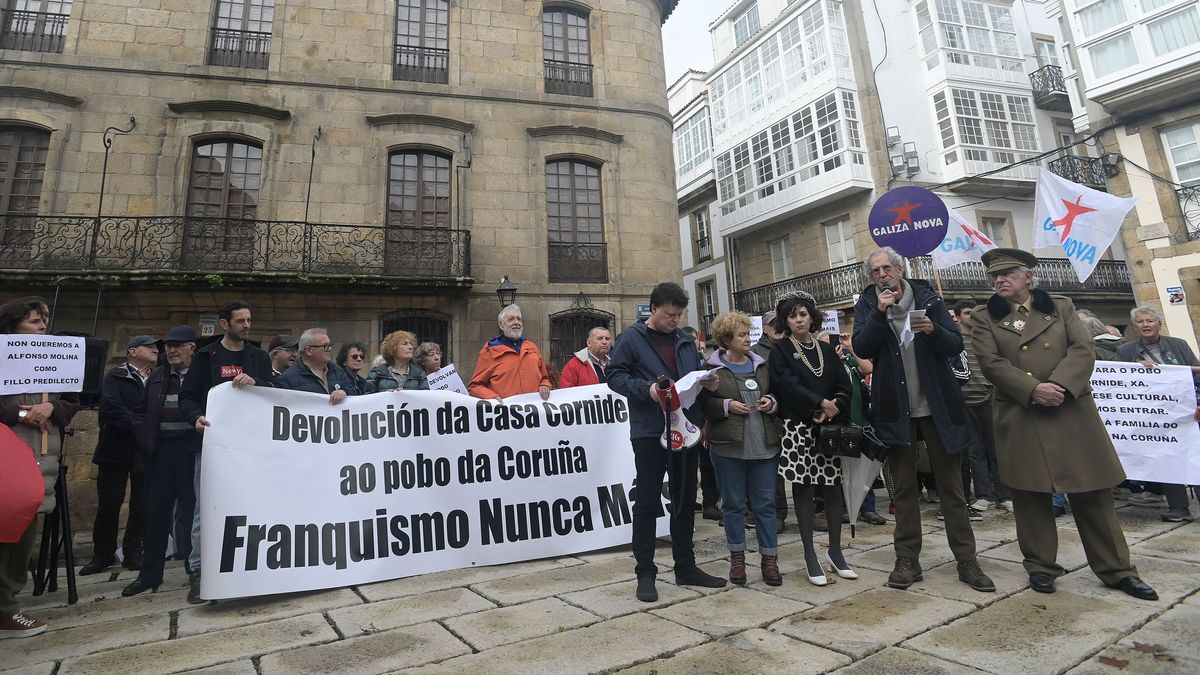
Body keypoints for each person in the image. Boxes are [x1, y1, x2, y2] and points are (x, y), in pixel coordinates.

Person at [971, 248, 1157, 600]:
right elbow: (990, 362)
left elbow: (1082, 349)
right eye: (995, 275)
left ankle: (1117, 570)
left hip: (1070, 409)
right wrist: (1033, 389)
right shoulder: (985, 317)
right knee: (1030, 495)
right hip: (1022, 412)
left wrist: (1059, 386)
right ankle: (1041, 567)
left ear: (1028, 277)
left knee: (1092, 493)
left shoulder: (1061, 306)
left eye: (1008, 272)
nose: (1000, 279)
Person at [852, 247, 994, 593]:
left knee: (951, 488)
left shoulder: (928, 297)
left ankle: (966, 560)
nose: (882, 275)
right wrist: (878, 313)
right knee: (903, 489)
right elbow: (863, 347)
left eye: (887, 268)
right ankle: (907, 560)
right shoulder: (869, 304)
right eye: (875, 271)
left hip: (937, 406)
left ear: (899, 269)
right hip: (895, 409)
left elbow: (953, 345)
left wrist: (932, 329)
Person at [607, 282, 725, 602]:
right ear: (654, 309)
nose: (675, 319)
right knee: (647, 501)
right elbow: (614, 376)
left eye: (679, 315)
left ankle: (686, 567)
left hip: (684, 431)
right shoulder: (631, 338)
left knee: (686, 500)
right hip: (649, 431)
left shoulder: (684, 341)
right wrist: (646, 390)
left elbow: (692, 380)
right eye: (670, 314)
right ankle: (645, 572)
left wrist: (707, 383)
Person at [179, 300, 274, 604]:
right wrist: (196, 418)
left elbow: (276, 388)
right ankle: (198, 571)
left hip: (251, 448)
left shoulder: (257, 357)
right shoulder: (205, 356)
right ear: (224, 324)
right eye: (241, 321)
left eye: (249, 320)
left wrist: (256, 381)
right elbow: (188, 397)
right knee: (204, 509)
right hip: (211, 447)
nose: (247, 326)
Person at [0, 297, 80, 638]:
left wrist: (50, 407)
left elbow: (72, 401)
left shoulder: (56, 357)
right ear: (14, 325)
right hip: (9, 451)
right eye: (34, 321)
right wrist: (20, 414)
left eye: (44, 321)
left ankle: (5, 607)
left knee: (21, 535)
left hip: (42, 456)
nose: (42, 327)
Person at [770, 292, 856, 586]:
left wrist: (834, 406)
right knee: (804, 491)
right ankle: (809, 554)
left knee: (833, 489)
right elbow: (785, 385)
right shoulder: (780, 350)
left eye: (803, 314)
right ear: (786, 320)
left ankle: (835, 550)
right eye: (793, 316)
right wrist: (819, 403)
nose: (798, 320)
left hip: (828, 427)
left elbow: (844, 384)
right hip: (799, 426)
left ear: (811, 317)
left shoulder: (826, 349)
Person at [702, 311, 783, 585]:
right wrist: (725, 406)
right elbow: (702, 405)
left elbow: (779, 394)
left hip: (764, 445)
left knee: (765, 505)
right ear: (726, 339)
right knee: (733, 505)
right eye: (742, 335)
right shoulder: (711, 369)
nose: (748, 339)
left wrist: (771, 402)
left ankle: (769, 560)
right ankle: (737, 559)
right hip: (728, 447)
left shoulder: (762, 365)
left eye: (748, 334)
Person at [121, 326, 201, 598]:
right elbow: (140, 411)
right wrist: (144, 437)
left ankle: (195, 573)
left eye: (178, 345)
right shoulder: (157, 375)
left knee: (191, 513)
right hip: (160, 452)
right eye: (168, 345)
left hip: (191, 452)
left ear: (193, 348)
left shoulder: (201, 377)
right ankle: (149, 574)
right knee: (155, 514)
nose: (171, 350)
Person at [80, 335, 159, 576]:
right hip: (115, 449)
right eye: (150, 346)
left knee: (142, 504)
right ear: (133, 351)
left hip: (144, 450)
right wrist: (142, 425)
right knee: (109, 504)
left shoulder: (159, 378)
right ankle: (103, 554)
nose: (156, 350)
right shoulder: (114, 376)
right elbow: (111, 408)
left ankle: (133, 552)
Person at [1114, 306, 1198, 523]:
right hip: (1154, 418)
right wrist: (1137, 371)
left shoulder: (1178, 345)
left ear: (1158, 323)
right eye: (1141, 322)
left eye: (1150, 321)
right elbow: (1119, 384)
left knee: (1194, 459)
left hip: (1186, 413)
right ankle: (1179, 508)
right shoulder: (1126, 351)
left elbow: (1196, 374)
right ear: (1135, 327)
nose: (1146, 325)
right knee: (1168, 460)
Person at [819, 330, 887, 526]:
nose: (832, 346)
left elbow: (868, 368)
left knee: (862, 468)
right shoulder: (822, 364)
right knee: (840, 470)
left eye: (833, 342)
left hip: (859, 420)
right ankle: (841, 508)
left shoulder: (848, 360)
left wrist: (850, 347)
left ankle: (867, 508)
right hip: (837, 424)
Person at [952, 300, 1011, 515]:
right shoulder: (955, 340)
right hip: (965, 400)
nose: (972, 317)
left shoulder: (986, 338)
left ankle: (1005, 495)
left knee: (997, 448)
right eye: (967, 313)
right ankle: (984, 495)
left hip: (989, 398)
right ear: (958, 317)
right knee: (975, 451)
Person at [752, 310, 791, 533]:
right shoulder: (756, 352)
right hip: (770, 415)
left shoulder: (791, 346)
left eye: (780, 322)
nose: (778, 327)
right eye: (773, 324)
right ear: (765, 328)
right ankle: (777, 513)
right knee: (773, 468)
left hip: (792, 412)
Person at [468, 304, 552, 401]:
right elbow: (475, 386)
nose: (516, 322)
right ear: (501, 325)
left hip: (533, 413)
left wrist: (545, 385)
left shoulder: (532, 348)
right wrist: (492, 397)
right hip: (505, 414)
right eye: (511, 319)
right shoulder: (489, 352)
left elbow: (545, 378)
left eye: (519, 319)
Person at [684, 325, 721, 521]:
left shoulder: (704, 363)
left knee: (707, 464)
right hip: (687, 420)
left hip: (703, 419)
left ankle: (710, 502)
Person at [277, 328, 360, 402]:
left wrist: (344, 391)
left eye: (330, 346)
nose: (329, 349)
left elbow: (353, 391)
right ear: (309, 350)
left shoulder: (337, 370)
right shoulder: (288, 378)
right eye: (325, 346)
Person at [362, 330, 430, 393]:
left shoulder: (418, 373)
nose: (410, 347)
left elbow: (425, 397)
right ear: (392, 348)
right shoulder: (377, 373)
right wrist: (385, 395)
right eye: (405, 344)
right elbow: (368, 397)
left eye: (410, 344)